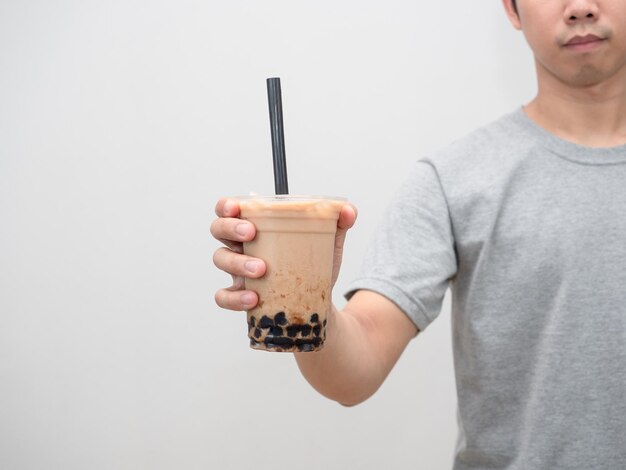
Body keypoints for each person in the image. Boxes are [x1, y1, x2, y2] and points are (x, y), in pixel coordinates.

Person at [211, 0, 626, 468]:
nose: (582, 7)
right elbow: (355, 372)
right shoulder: (454, 179)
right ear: (512, 9)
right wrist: (305, 297)